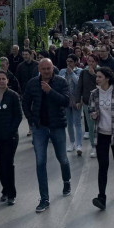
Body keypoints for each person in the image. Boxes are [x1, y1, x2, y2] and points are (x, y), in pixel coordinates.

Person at [22, 57, 72, 213]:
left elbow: (66, 101)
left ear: (52, 68)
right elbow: (25, 102)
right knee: (40, 162)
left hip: (57, 126)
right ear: (39, 70)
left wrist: (50, 91)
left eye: (48, 69)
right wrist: (31, 120)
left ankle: (66, 181)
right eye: (43, 69)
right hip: (39, 128)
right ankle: (44, 198)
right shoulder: (32, 83)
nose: (46, 71)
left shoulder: (61, 82)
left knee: (62, 158)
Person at [88, 66, 114, 210]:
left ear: (107, 78)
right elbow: (91, 109)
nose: (97, 79)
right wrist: (93, 114)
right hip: (101, 134)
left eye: (100, 77)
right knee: (103, 165)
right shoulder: (94, 94)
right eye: (96, 77)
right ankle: (101, 197)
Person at [0, 68, 23, 204]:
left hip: (10, 136)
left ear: (7, 80)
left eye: (3, 79)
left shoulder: (13, 96)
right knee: (0, 163)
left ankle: (11, 193)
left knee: (8, 163)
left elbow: (18, 116)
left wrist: (11, 131)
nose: (1, 81)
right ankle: (5, 189)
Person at [76, 53, 101, 157]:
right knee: (91, 126)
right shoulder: (84, 72)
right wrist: (78, 100)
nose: (90, 63)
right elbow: (79, 86)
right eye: (89, 61)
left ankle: (101, 145)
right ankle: (94, 146)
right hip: (87, 102)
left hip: (100, 102)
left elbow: (102, 84)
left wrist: (94, 75)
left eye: (93, 61)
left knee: (100, 125)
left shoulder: (100, 71)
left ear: (96, 62)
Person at [60, 54, 84, 156]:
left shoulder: (80, 71)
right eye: (67, 61)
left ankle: (79, 145)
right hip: (66, 100)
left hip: (76, 100)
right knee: (69, 123)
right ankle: (72, 142)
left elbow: (79, 83)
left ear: (75, 62)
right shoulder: (62, 71)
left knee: (77, 123)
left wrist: (72, 73)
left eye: (71, 61)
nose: (69, 63)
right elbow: (60, 83)